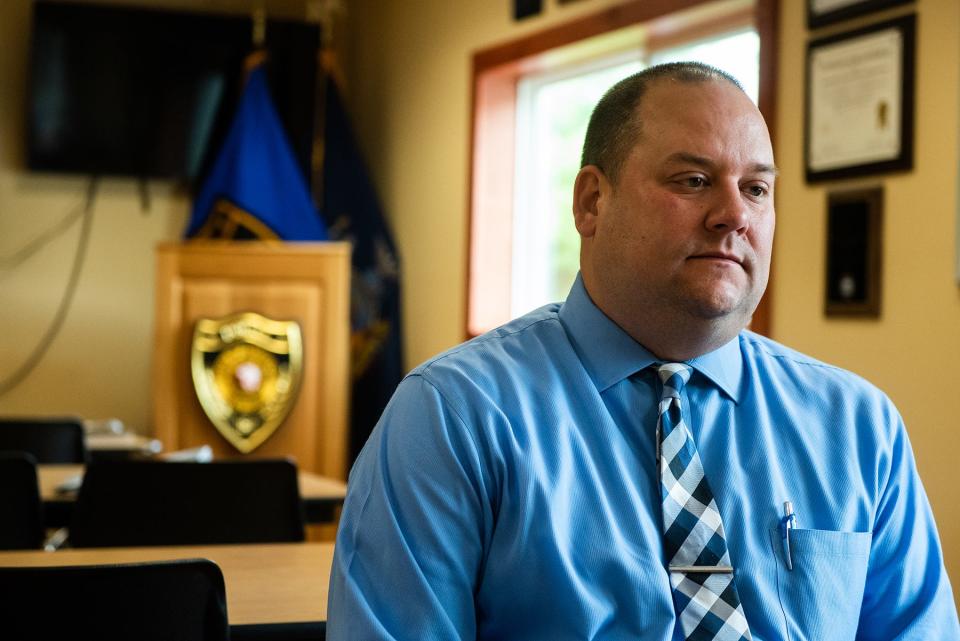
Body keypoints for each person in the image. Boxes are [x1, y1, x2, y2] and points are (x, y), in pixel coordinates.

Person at [327, 62, 960, 640]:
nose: (733, 214)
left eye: (757, 189)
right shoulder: (452, 417)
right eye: (694, 179)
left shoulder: (856, 425)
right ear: (591, 202)